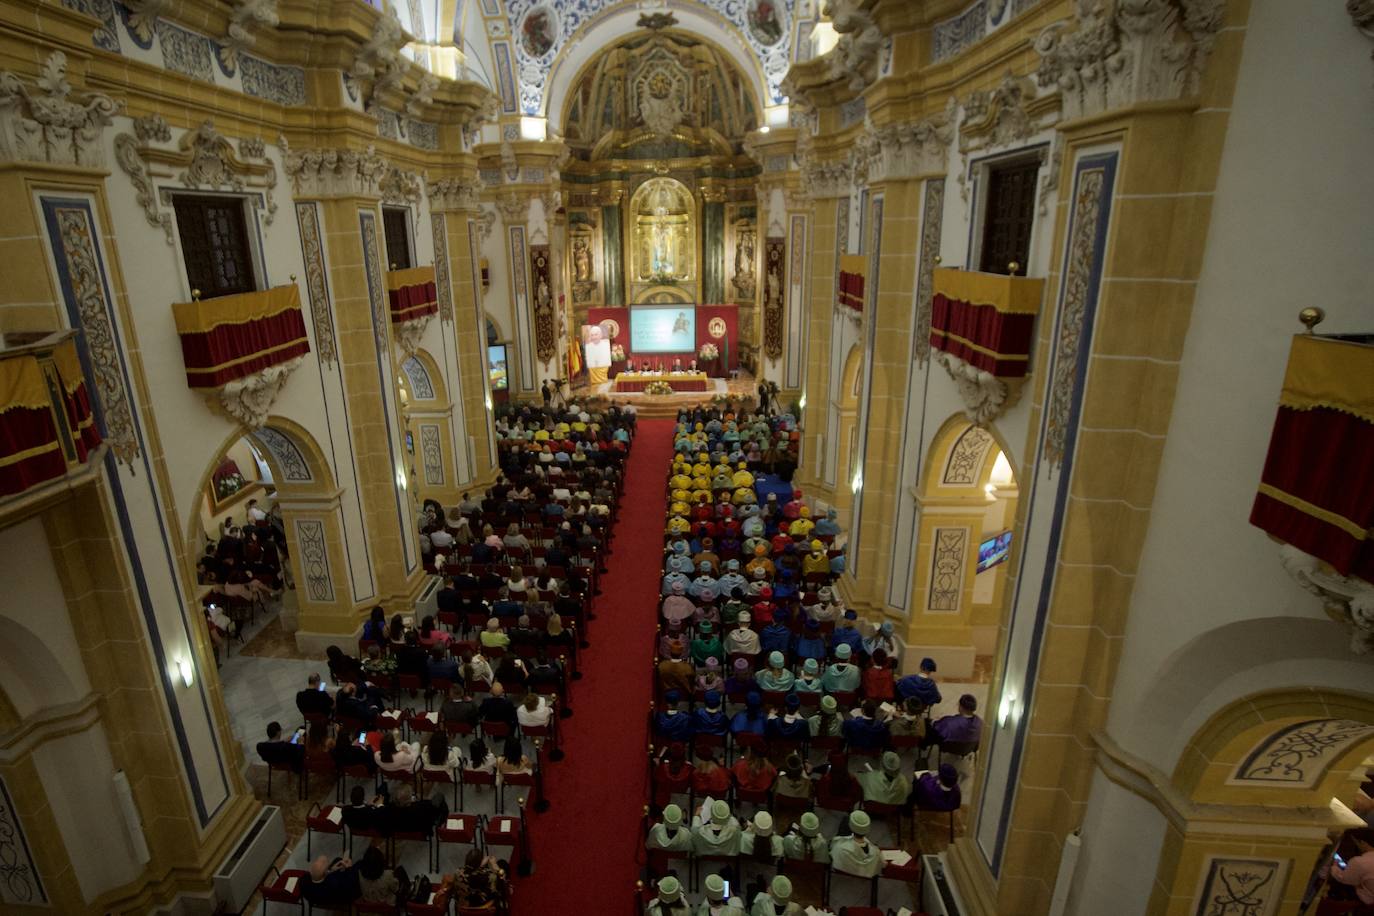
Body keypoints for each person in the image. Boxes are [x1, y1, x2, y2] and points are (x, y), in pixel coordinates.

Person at [829, 810, 882, 878]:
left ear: (850, 827)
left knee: (846, 819)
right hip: (864, 874)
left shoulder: (838, 847)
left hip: (841, 872)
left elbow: (832, 858)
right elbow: (881, 865)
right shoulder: (876, 852)